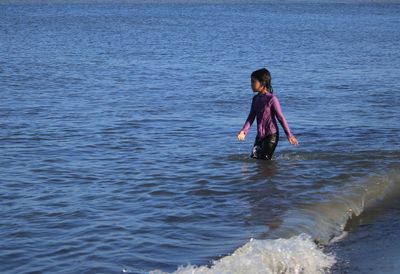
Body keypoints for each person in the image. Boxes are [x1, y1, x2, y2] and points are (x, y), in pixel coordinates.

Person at [237, 68, 299, 160]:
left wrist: (289, 134)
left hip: (271, 135)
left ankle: (270, 174)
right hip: (259, 135)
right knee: (254, 159)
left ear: (262, 83)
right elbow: (251, 117)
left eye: (253, 82)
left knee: (265, 161)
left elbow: (280, 118)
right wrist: (244, 131)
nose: (251, 85)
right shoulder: (255, 99)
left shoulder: (272, 99)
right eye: (251, 82)